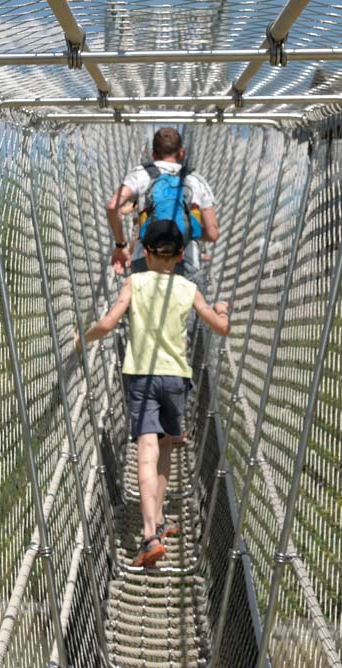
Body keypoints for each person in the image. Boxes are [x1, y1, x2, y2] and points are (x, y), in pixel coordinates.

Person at [77, 220, 231, 568]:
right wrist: (223, 310)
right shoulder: (189, 289)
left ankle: (148, 535)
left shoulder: (135, 282)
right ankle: (158, 520)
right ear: (180, 255)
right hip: (176, 379)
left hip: (142, 378)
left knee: (145, 449)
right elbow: (220, 326)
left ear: (144, 253)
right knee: (164, 450)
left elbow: (108, 323)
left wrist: (80, 340)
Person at [106, 127, 219, 279]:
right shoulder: (195, 180)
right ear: (181, 153)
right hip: (185, 259)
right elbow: (212, 234)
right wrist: (187, 231)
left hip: (146, 257)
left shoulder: (140, 174)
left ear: (153, 154)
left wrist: (121, 246)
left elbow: (113, 206)